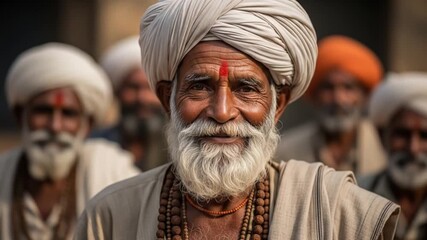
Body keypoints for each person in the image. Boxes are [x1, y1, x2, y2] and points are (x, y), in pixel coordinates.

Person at [76, 1, 399, 239]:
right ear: (166, 98)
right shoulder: (111, 217)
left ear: (278, 104)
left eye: (246, 89)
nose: (222, 111)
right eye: (200, 86)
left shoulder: (342, 212)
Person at [0, 43, 140, 240]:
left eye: (68, 114)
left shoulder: (110, 169)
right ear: (20, 115)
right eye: (43, 111)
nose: (55, 127)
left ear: (88, 124)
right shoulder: (3, 173)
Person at [276, 35, 387, 176]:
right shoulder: (284, 152)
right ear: (315, 95)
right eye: (328, 88)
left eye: (348, 88)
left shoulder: (385, 146)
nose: (338, 99)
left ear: (364, 96)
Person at [359, 72, 427, 239]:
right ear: (382, 137)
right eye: (402, 135)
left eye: (424, 136)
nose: (413, 148)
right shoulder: (358, 194)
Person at [92, 36, 169, 171]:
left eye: (150, 88)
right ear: (117, 92)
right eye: (133, 88)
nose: (142, 98)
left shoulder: (182, 147)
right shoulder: (96, 145)